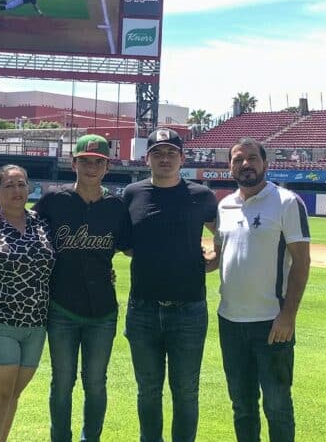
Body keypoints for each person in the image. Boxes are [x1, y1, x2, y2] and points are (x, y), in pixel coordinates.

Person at [34, 134, 132, 442]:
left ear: (107, 167)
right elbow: (23, 232)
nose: (91, 167)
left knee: (95, 383)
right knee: (62, 382)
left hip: (102, 311)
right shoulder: (53, 201)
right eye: (85, 161)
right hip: (61, 307)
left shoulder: (116, 207)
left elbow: (131, 248)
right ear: (73, 163)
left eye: (98, 162)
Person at [122, 128, 218, 442]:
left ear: (182, 158)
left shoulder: (201, 195)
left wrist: (215, 259)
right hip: (143, 309)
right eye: (158, 153)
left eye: (171, 153)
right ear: (146, 157)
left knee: (186, 392)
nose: (165, 159)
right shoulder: (133, 193)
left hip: (189, 309)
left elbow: (225, 234)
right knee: (148, 391)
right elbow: (126, 243)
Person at [213, 138, 311, 442]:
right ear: (230, 166)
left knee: (277, 405)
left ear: (265, 164)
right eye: (238, 159)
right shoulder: (224, 205)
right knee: (242, 406)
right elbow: (219, 257)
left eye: (253, 158)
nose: (246, 164)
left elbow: (301, 262)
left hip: (272, 322)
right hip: (229, 321)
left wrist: (288, 315)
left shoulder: (286, 202)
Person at [0, 164, 56, 442]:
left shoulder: (42, 224)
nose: (17, 191)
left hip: (35, 324)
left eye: (21, 184)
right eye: (9, 185)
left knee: (13, 395)